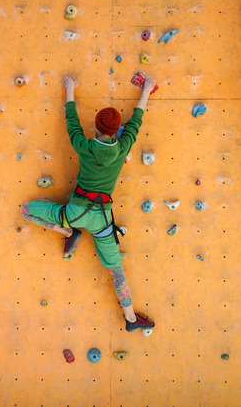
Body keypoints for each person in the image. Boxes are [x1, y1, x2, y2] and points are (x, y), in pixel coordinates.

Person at [21, 75, 156, 333]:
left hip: (74, 214)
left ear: (94, 127)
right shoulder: (123, 144)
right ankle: (130, 318)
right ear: (117, 132)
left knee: (26, 210)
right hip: (103, 220)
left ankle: (67, 233)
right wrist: (146, 90)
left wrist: (70, 88)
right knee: (117, 271)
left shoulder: (83, 145)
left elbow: (71, 121)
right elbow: (136, 121)